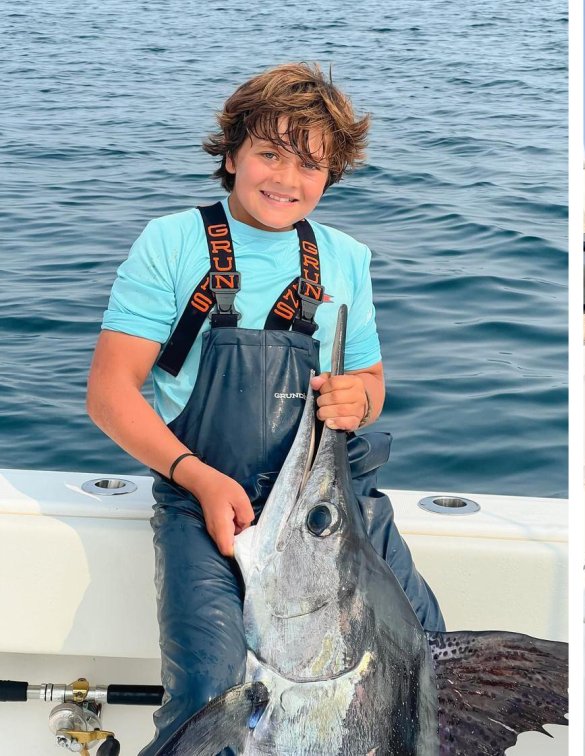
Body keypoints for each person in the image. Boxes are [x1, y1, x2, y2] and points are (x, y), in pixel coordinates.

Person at [86, 62, 444, 755]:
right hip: (206, 500)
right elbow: (109, 393)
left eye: (309, 164)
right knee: (208, 697)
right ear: (231, 154)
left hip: (331, 510)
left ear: (332, 174)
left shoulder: (344, 259)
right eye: (270, 154)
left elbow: (369, 378)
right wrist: (196, 475)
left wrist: (359, 397)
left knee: (427, 660)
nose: (286, 179)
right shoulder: (172, 243)